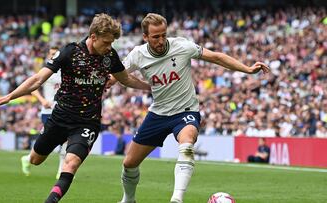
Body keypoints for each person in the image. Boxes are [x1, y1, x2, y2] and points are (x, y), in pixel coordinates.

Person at [109, 13, 270, 203]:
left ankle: (177, 199)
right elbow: (119, 75)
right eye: (155, 37)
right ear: (145, 37)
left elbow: (217, 57)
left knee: (187, 142)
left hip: (185, 111)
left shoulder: (182, 46)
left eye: (163, 35)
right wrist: (109, 80)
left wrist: (247, 69)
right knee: (129, 163)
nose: (161, 40)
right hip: (158, 113)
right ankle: (128, 200)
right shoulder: (138, 54)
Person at [0, 13, 150, 203]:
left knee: (71, 163)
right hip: (60, 117)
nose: (109, 47)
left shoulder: (109, 56)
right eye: (106, 42)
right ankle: (30, 158)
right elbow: (37, 79)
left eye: (112, 43)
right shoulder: (70, 52)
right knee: (36, 159)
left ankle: (50, 201)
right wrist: (9, 97)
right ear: (93, 37)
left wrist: (151, 87)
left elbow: (126, 79)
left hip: (87, 122)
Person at [21, 46, 67, 179]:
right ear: (48, 56)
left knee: (65, 141)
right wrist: (42, 101)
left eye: (56, 54)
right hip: (48, 111)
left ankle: (61, 171)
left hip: (63, 110)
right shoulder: (47, 71)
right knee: (49, 142)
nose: (53, 56)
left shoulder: (65, 70)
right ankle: (28, 158)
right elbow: (33, 88)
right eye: (51, 54)